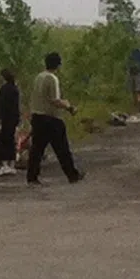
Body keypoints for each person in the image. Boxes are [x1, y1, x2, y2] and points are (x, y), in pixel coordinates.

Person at [27, 52, 84, 185]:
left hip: (37, 116)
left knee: (37, 149)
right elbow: (55, 100)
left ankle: (32, 177)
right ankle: (72, 175)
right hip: (51, 118)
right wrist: (69, 107)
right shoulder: (52, 79)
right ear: (58, 65)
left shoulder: (38, 77)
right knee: (62, 149)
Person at [0, 68, 21, 177]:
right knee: (11, 141)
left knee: (2, 141)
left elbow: (2, 106)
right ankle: (12, 165)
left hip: (5, 119)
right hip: (13, 119)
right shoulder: (15, 88)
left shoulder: (4, 89)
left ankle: (5, 165)